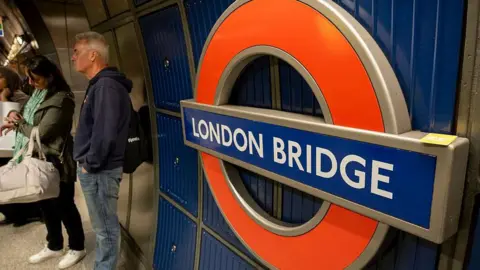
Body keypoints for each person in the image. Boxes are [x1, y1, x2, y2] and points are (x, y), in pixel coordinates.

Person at [0, 55, 86, 269]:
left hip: (56, 162)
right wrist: (15, 118)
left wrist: (19, 125)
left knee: (65, 205)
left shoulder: (62, 99)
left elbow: (44, 132)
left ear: (50, 76)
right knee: (45, 204)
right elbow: (30, 121)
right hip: (38, 159)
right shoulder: (39, 93)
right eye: (29, 79)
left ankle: (77, 247)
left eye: (35, 79)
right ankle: (54, 244)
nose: (31, 84)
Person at [72, 31, 131, 270]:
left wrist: (89, 166)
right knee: (102, 227)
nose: (73, 57)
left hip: (99, 171)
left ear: (93, 54)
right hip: (97, 170)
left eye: (76, 52)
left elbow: (104, 133)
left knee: (105, 229)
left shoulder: (105, 86)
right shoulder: (100, 85)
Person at [0, 66, 42, 227]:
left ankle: (26, 213)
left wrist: (4, 100)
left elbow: (19, 121)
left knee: (16, 180)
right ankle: (11, 212)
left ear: (8, 80)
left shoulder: (21, 98)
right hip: (2, 146)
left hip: (15, 146)